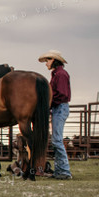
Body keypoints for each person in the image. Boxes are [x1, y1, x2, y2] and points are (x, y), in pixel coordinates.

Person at [39, 49, 72, 180]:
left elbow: (62, 94)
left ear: (54, 60)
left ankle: (65, 171)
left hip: (60, 107)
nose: (46, 63)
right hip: (58, 108)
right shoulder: (57, 74)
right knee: (56, 140)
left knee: (57, 140)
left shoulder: (60, 75)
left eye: (48, 60)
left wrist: (49, 104)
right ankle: (60, 171)